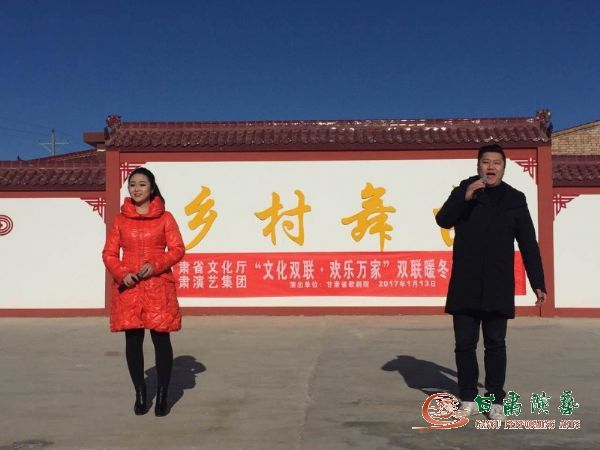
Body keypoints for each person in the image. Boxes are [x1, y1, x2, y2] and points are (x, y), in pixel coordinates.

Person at [435, 144, 546, 420]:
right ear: (478, 166)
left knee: (495, 344)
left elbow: (528, 243)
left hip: (498, 284)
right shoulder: (465, 191)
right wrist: (465, 197)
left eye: (497, 163)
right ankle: (468, 397)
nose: (491, 167)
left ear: (503, 168)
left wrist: (538, 282)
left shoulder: (515, 199)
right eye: (486, 162)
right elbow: (443, 220)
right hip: (466, 283)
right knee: (464, 344)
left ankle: (495, 399)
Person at [102, 167, 185, 417]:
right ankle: (140, 392)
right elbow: (109, 253)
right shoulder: (120, 220)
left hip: (158, 286)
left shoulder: (165, 218)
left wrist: (157, 265)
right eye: (132, 185)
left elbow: (177, 249)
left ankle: (163, 393)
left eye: (142, 184)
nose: (136, 189)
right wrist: (121, 273)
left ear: (152, 188)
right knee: (133, 340)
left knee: (161, 339)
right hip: (130, 287)